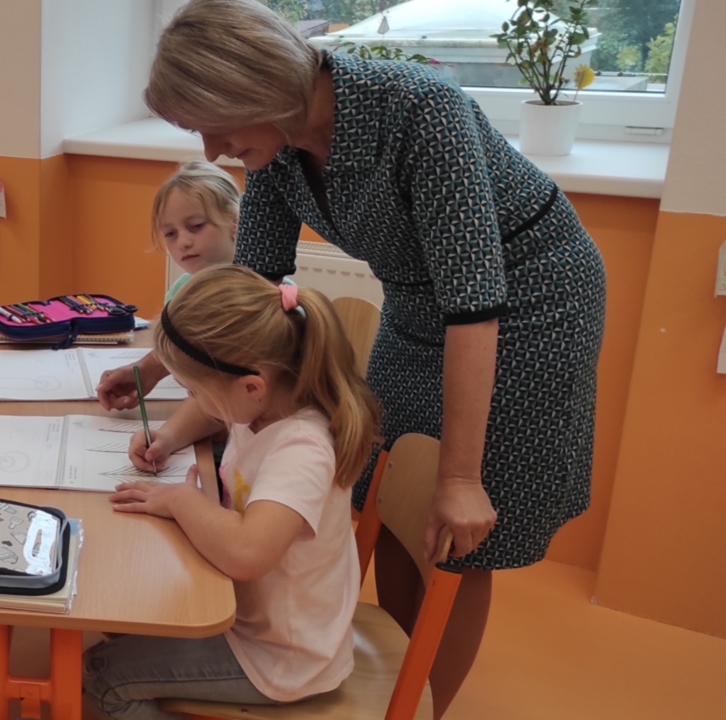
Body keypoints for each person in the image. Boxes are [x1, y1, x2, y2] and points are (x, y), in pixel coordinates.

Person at [121, 1, 608, 714]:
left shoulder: (420, 112)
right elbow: (245, 300)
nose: (214, 147)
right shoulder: (278, 146)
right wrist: (156, 370)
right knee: (390, 484)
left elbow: (474, 304)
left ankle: (421, 703)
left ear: (258, 87)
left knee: (458, 528)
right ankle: (403, 670)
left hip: (528, 309)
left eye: (215, 121)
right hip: (419, 303)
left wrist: (461, 476)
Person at [86, 265, 380, 719]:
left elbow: (247, 553)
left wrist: (182, 501)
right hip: (250, 616)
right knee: (124, 615)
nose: (194, 400)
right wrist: (168, 436)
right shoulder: (267, 403)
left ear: (252, 386)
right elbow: (214, 412)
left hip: (280, 656)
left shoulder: (302, 450)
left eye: (194, 390)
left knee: (103, 675)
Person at [95, 160, 241, 411]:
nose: (183, 242)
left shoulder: (261, 295)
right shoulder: (181, 290)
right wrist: (145, 370)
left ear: (235, 221)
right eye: (171, 233)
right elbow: (181, 349)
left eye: (196, 226)